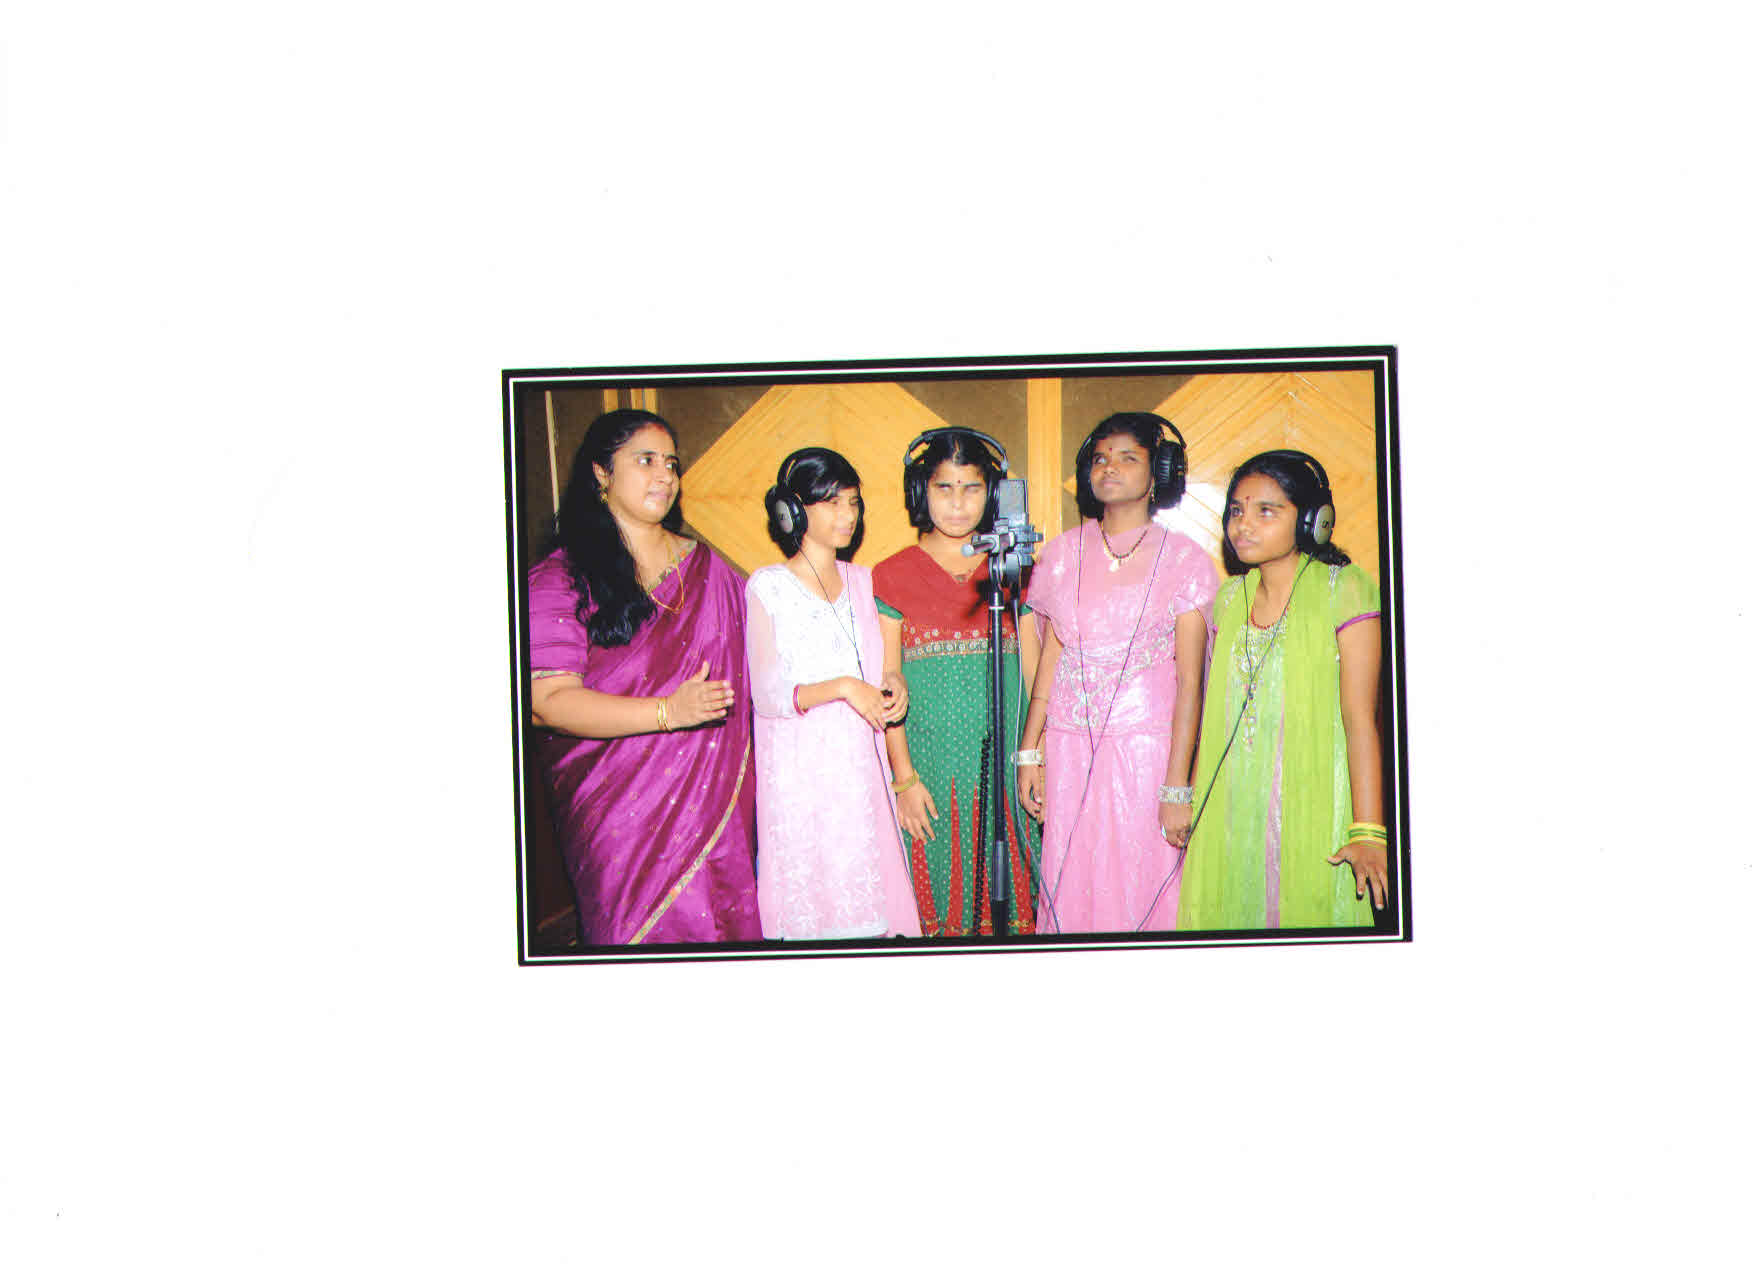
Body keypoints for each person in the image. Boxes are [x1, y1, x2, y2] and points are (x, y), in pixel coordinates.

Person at [525, 409, 760, 945]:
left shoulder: (709, 571)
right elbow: (546, 701)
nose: (665, 476)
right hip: (619, 819)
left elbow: (765, 667)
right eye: (646, 460)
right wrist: (667, 712)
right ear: (601, 473)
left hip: (717, 811)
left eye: (671, 464)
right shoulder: (560, 578)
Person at [1015, 413, 1217, 933]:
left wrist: (1177, 786)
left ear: (1159, 474)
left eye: (1128, 458)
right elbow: (1052, 661)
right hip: (1069, 749)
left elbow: (1190, 684)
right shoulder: (1061, 554)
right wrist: (1030, 751)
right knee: (1073, 888)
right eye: (1101, 458)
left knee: (1144, 891)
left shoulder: (1185, 560)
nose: (1110, 467)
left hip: (1146, 754)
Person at [1177, 450, 1388, 930]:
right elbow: (1216, 720)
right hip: (1235, 810)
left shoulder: (1344, 590)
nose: (1244, 524)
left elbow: (1360, 719)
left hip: (1313, 805)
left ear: (1313, 521)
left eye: (1266, 511)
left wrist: (1369, 831)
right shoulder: (1229, 599)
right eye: (1236, 510)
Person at [745, 448, 921, 940]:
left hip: (858, 773)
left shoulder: (864, 583)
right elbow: (768, 695)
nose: (848, 515)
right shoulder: (767, 587)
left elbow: (883, 667)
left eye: (854, 503)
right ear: (793, 511)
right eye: (833, 503)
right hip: (799, 777)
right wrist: (844, 688)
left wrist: (895, 683)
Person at [872, 428, 1041, 936]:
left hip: (1008, 769)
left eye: (972, 488)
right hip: (932, 768)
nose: (958, 503)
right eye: (944, 488)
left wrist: (1036, 756)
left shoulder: (1013, 567)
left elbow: (1036, 675)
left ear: (993, 493)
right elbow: (887, 685)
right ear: (920, 491)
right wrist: (904, 780)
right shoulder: (891, 574)